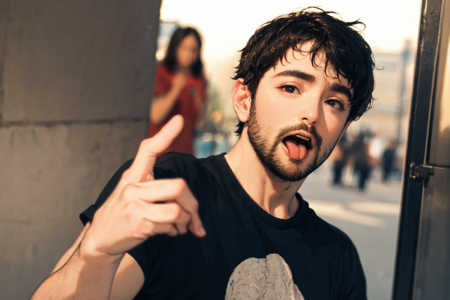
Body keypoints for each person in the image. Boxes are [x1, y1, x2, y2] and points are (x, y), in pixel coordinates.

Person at [31, 7, 375, 300]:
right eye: (290, 87)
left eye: (334, 102)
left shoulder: (338, 258)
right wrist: (97, 254)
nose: (312, 113)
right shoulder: (168, 188)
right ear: (243, 100)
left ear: (342, 129)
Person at [148, 26, 207, 155]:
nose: (188, 54)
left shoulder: (199, 79)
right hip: (160, 153)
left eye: (193, 50)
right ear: (175, 48)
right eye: (184, 48)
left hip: (185, 154)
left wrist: (201, 106)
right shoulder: (162, 73)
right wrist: (175, 90)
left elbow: (200, 124)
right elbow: (155, 116)